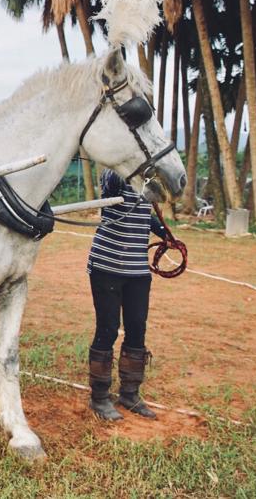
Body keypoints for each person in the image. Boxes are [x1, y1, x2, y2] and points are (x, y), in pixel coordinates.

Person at [86, 169, 169, 421]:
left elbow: (146, 213)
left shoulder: (145, 182)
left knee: (137, 330)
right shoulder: (113, 174)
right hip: (106, 267)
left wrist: (164, 232)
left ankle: (129, 394)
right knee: (108, 329)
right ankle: (99, 397)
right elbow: (113, 183)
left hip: (137, 270)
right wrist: (133, 163)